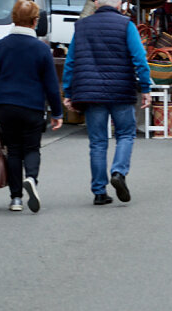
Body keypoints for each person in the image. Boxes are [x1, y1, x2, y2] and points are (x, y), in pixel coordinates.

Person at [62, 0, 151, 205]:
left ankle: (99, 192)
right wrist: (145, 88)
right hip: (121, 91)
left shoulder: (82, 26)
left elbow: (71, 62)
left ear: (95, 3)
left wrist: (68, 91)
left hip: (91, 94)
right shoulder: (126, 25)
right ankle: (118, 172)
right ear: (119, 3)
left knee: (98, 142)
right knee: (126, 134)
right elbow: (139, 58)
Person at [0, 0, 62, 213]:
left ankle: (16, 198)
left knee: (13, 151)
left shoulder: (1, 45)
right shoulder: (41, 49)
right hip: (32, 106)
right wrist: (57, 112)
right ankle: (31, 178)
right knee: (31, 148)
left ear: (13, 18)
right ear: (35, 21)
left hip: (5, 105)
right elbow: (50, 85)